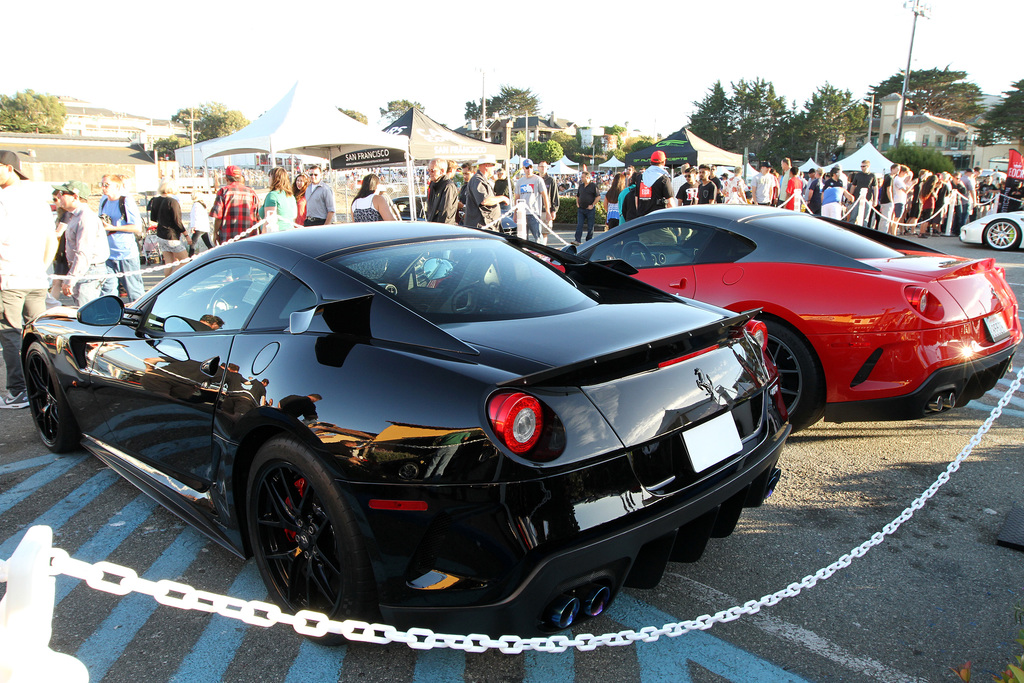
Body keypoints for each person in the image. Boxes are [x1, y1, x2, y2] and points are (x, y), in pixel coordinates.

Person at [0, 151, 58, 408]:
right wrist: (41, 267)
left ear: (10, 168)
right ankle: (45, 387)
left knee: (11, 333)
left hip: (10, 276)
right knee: (37, 334)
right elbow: (51, 239)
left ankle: (19, 391)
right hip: (35, 276)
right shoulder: (37, 198)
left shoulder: (4, 199)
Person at [54, 180, 109, 307]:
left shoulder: (85, 218)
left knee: (87, 312)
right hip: (82, 268)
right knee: (83, 310)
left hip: (89, 270)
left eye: (62, 193)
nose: (59, 196)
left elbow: (84, 252)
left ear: (75, 196)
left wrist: (71, 278)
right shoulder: (73, 216)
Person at [97, 174, 145, 301]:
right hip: (108, 252)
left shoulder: (126, 201)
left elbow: (136, 227)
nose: (103, 187)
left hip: (126, 252)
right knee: (107, 291)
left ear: (117, 186)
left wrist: (113, 228)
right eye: (101, 184)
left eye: (106, 185)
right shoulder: (104, 200)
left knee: (134, 291)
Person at [148, 179, 191, 276]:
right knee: (185, 261)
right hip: (171, 235)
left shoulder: (155, 200)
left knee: (169, 263)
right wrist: (186, 235)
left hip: (161, 234)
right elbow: (177, 221)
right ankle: (172, 278)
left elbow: (153, 218)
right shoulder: (172, 201)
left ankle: (166, 281)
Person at [209, 165, 260, 244]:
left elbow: (218, 216)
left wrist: (215, 232)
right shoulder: (251, 192)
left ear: (226, 178)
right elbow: (258, 216)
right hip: (249, 237)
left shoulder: (223, 192)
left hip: (228, 238)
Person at [463, 155, 508, 230]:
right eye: (493, 165)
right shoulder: (477, 180)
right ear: (486, 166)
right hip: (481, 227)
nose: (494, 168)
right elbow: (485, 200)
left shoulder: (481, 180)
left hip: (486, 225)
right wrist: (503, 198)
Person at [513, 159, 551, 241]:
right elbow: (517, 198)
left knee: (538, 236)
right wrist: (515, 213)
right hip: (522, 213)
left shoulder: (538, 180)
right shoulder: (520, 181)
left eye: (530, 167)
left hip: (534, 213)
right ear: (523, 168)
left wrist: (548, 211)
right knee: (523, 238)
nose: (529, 169)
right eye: (527, 167)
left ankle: (540, 252)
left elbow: (545, 196)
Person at [633, 151, 676, 217]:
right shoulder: (664, 178)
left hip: (642, 219)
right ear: (664, 162)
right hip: (658, 218)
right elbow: (670, 203)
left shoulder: (640, 177)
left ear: (651, 162)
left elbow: (636, 200)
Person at [260, 167, 298, 232]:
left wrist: (262, 236)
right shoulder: (291, 196)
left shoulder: (272, 195)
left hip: (276, 234)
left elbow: (269, 220)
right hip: (290, 232)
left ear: (275, 179)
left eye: (270, 177)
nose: (268, 179)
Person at [425, 158, 458, 224]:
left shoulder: (448, 186)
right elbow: (430, 209)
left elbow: (445, 213)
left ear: (442, 171)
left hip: (444, 228)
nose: (429, 173)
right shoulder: (433, 184)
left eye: (432, 170)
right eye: (428, 170)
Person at [847, 160, 877, 226]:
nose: (862, 168)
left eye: (864, 166)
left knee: (865, 218)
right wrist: (850, 197)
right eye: (861, 166)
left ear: (868, 166)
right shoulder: (858, 175)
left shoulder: (872, 175)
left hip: (868, 198)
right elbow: (853, 186)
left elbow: (875, 188)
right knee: (853, 216)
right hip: (857, 198)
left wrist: (875, 199)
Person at [574, 170, 599, 244]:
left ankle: (589, 240)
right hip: (581, 209)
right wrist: (577, 203)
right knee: (579, 225)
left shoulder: (593, 186)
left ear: (587, 177)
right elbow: (578, 196)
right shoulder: (581, 186)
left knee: (590, 226)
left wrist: (593, 204)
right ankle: (577, 240)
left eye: (583, 177)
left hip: (590, 209)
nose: (581, 178)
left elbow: (598, 196)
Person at [536, 160, 559, 225]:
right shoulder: (534, 179)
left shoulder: (551, 180)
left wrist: (553, 210)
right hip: (535, 210)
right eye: (541, 166)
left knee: (545, 232)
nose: (543, 168)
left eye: (545, 167)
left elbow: (554, 196)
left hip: (546, 210)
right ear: (538, 167)